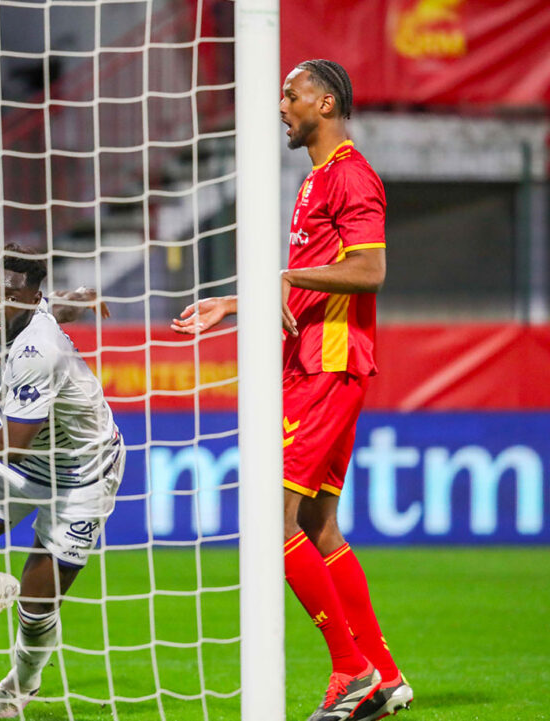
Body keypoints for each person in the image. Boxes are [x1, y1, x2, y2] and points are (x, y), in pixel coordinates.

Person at [171, 60, 412, 721]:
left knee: (272, 518)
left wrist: (281, 276)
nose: (282, 104)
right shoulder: (315, 181)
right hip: (314, 361)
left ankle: (351, 668)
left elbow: (369, 269)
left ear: (325, 102)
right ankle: (385, 676)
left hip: (327, 365)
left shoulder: (352, 176)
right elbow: (307, 277)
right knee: (316, 524)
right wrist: (236, 300)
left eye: (292, 93)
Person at [0, 245, 123, 719]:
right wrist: (84, 297)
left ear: (30, 300)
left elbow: (13, 442)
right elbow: (60, 303)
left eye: (7, 295)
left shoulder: (38, 350)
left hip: (80, 472)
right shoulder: (4, 312)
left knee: (37, 612)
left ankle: (18, 689)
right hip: (24, 459)